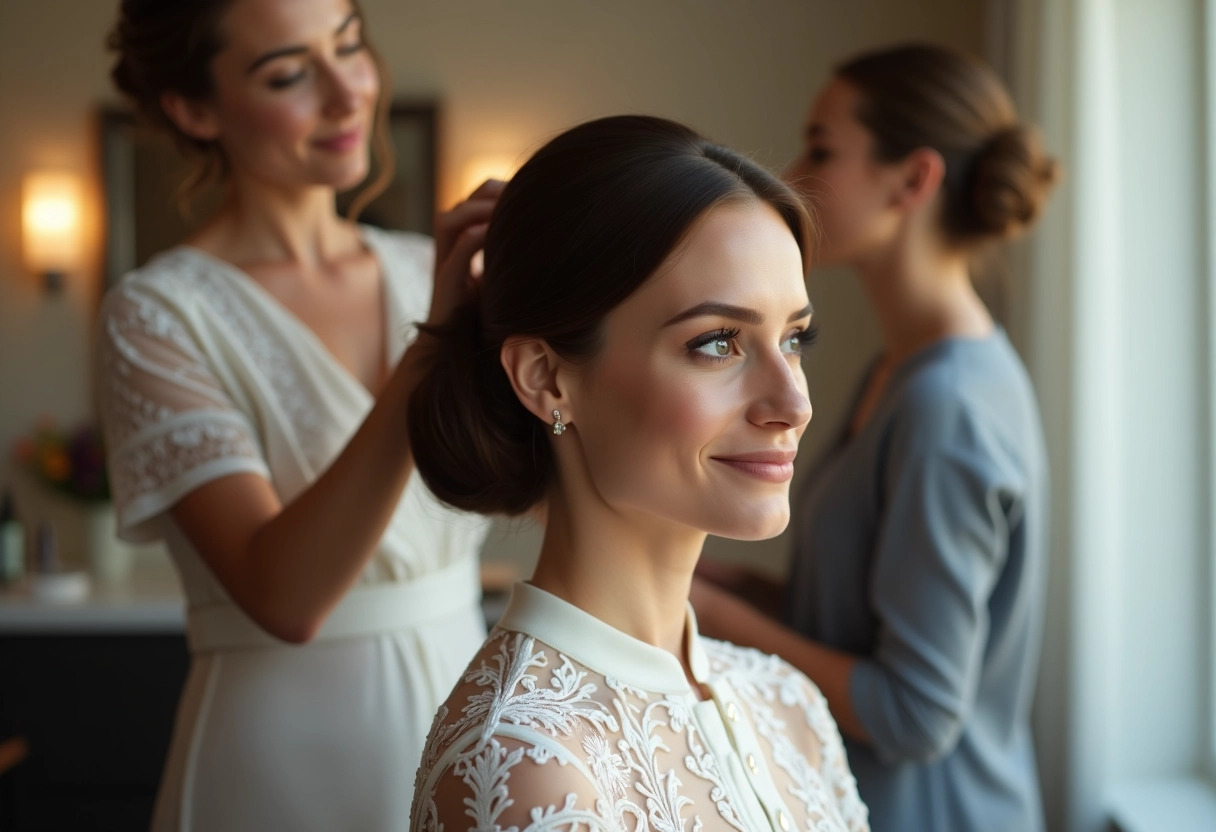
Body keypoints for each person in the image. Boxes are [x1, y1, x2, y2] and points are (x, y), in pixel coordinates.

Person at [96, 1, 499, 828]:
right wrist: (430, 344)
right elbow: (285, 598)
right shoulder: (156, 314)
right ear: (193, 109)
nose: (348, 95)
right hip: (282, 758)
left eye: (348, 48)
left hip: (476, 715)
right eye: (287, 74)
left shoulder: (429, 267)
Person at [406, 114, 870, 832]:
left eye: (793, 338)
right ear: (547, 379)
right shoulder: (526, 763)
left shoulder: (790, 704)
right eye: (718, 343)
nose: (793, 403)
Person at [690, 43, 1059, 832]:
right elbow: (856, 613)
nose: (791, 175)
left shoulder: (948, 407)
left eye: (823, 149)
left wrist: (710, 616)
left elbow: (915, 712)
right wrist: (701, 576)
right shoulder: (901, 373)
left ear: (914, 179)